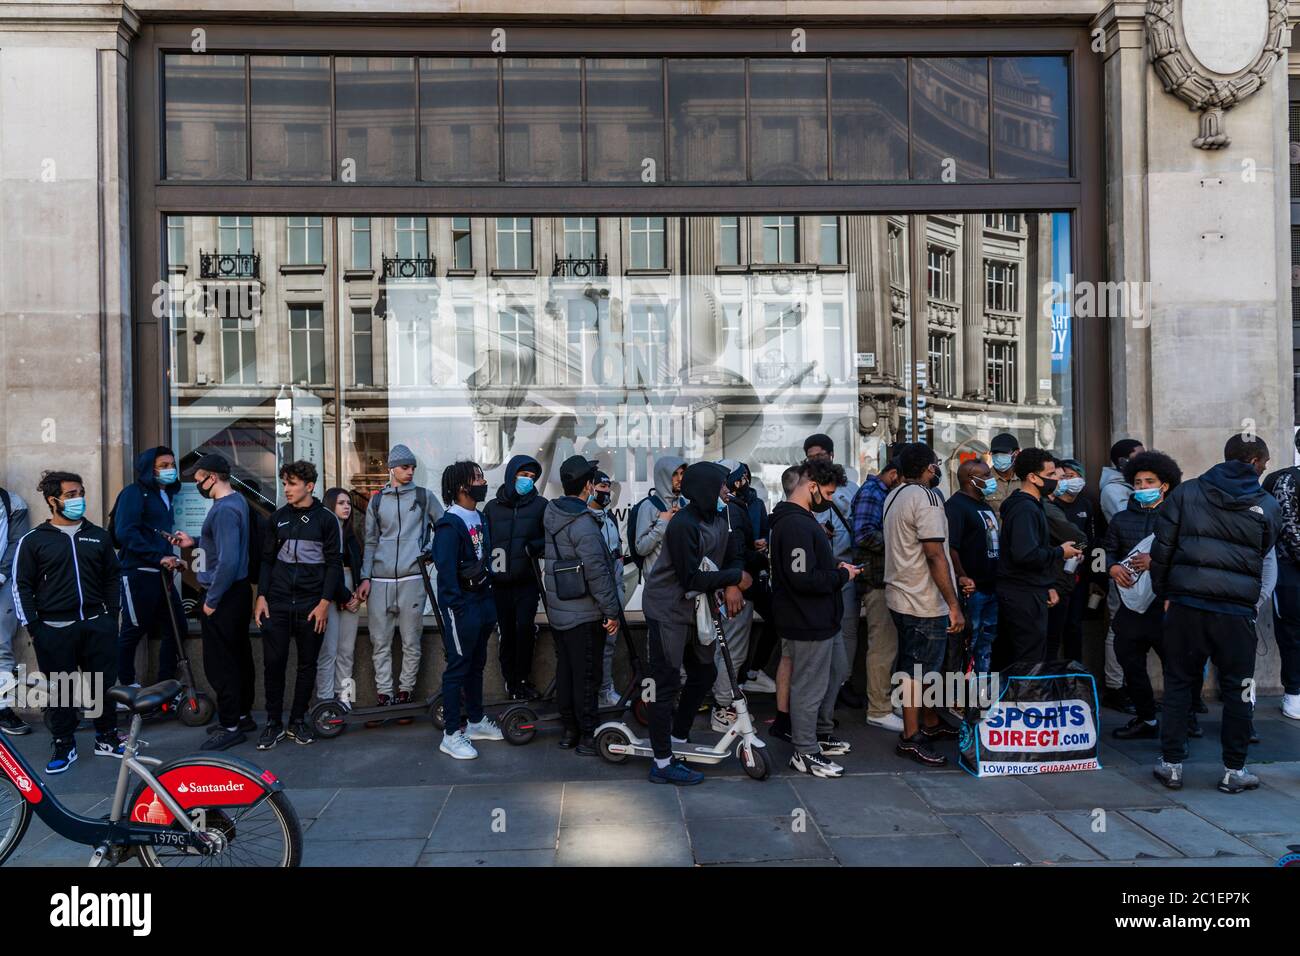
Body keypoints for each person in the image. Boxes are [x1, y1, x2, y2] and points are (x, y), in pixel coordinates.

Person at [1149, 435, 1282, 794]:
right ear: (1255, 461)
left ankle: (1172, 764)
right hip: (1235, 611)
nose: (1265, 469)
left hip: (1186, 606)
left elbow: (1163, 549)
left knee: (1178, 683)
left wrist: (1167, 593)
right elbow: (1264, 549)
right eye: (1265, 463)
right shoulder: (1267, 504)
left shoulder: (1187, 492)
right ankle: (1233, 770)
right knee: (1238, 689)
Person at [641, 461, 748, 785]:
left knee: (704, 672)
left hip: (696, 610)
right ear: (705, 490)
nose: (726, 492)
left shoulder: (719, 518)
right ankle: (661, 762)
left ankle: (678, 736)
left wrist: (732, 581)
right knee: (665, 681)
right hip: (668, 609)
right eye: (721, 487)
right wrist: (734, 577)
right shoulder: (683, 525)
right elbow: (690, 577)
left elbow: (734, 554)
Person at [11, 471, 123, 772]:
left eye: (80, 492)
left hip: (98, 624)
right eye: (71, 494)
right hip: (54, 629)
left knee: (101, 685)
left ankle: (106, 738)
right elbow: (21, 585)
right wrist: (35, 627)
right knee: (61, 689)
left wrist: (112, 616)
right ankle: (64, 744)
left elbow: (113, 577)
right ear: (53, 500)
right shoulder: (34, 541)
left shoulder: (98, 535)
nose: (79, 499)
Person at [771, 457, 860, 777]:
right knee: (809, 687)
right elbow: (801, 578)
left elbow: (808, 568)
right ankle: (805, 751)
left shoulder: (804, 520)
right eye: (830, 492)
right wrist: (841, 577)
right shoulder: (795, 524)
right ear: (812, 487)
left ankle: (819, 735)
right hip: (806, 620)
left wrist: (835, 568)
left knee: (834, 673)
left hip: (822, 617)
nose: (832, 499)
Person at [883, 444, 964, 766]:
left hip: (901, 595)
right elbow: (934, 554)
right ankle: (911, 737)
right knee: (918, 671)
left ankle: (929, 724)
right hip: (923, 601)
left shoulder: (895, 494)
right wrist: (953, 605)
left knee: (915, 666)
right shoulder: (927, 497)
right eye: (936, 465)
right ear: (930, 469)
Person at [253, 460, 340, 749]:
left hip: (311, 606)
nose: (286, 489)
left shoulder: (327, 520)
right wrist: (261, 596)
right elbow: (265, 561)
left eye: (292, 484)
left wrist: (325, 603)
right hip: (276, 603)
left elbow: (334, 565)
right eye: (285, 483)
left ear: (309, 486)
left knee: (307, 665)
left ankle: (298, 722)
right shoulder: (276, 519)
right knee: (273, 664)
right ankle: (273, 724)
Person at [172, 454, 255, 751]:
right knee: (239, 657)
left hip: (224, 595)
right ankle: (242, 716)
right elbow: (223, 546)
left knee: (221, 664)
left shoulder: (223, 510)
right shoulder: (237, 502)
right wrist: (195, 541)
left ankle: (231, 726)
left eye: (198, 480)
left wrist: (212, 600)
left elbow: (229, 560)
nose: (197, 485)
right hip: (238, 592)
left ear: (212, 477)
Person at [1104, 451, 1188, 740]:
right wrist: (1113, 567)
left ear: (1165, 485)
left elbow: (1191, 556)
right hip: (1131, 606)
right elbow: (1102, 553)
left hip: (1167, 604)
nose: (1142, 487)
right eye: (1137, 483)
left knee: (1176, 666)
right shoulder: (1120, 519)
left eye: (1149, 482)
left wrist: (1156, 563)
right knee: (1129, 660)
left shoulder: (1180, 517)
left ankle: (1184, 720)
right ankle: (1146, 717)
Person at [542, 456, 622, 756]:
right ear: (588, 485)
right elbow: (598, 573)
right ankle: (588, 735)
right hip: (585, 611)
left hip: (560, 608)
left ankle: (569, 731)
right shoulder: (584, 524)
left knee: (566, 672)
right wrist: (612, 611)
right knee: (587, 676)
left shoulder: (552, 513)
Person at [358, 444, 443, 712]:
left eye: (413, 467)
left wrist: (429, 551)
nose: (410, 471)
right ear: (391, 468)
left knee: (411, 641)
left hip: (412, 578)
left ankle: (405, 693)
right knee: (379, 642)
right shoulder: (377, 500)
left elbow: (444, 526)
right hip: (380, 580)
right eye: (405, 467)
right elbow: (370, 542)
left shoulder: (424, 496)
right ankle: (385, 694)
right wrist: (365, 577)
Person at [432, 461, 504, 760]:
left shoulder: (480, 517)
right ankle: (451, 734)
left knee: (476, 664)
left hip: (483, 602)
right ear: (462, 486)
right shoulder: (449, 524)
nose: (483, 482)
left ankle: (475, 722)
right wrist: (458, 608)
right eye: (477, 478)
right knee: (458, 668)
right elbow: (446, 574)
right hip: (462, 607)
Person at [995, 448, 1081, 666]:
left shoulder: (1033, 506)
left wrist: (1048, 585)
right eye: (1051, 475)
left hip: (1031, 589)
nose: (1056, 480)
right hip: (1022, 595)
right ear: (1033, 477)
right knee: (1028, 661)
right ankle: (1025, 699)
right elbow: (1026, 554)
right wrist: (1061, 552)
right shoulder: (1025, 509)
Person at [111, 447, 186, 694]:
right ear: (148, 468)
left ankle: (166, 684)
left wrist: (170, 551)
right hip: (138, 572)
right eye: (163, 465)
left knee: (177, 628)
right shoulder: (134, 493)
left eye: (172, 464)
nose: (170, 469)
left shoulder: (166, 495)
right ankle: (128, 685)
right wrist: (159, 556)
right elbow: (125, 532)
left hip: (161, 573)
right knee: (133, 630)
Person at [483, 454, 546, 701]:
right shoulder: (492, 508)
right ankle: (511, 682)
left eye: (532, 477)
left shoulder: (540, 505)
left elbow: (550, 538)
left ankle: (523, 679)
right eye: (523, 475)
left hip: (527, 582)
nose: (527, 481)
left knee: (524, 631)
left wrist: (534, 547)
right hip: (498, 585)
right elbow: (484, 543)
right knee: (507, 634)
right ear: (512, 475)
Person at [851, 458, 903, 731]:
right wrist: (902, 540)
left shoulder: (884, 493)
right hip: (877, 581)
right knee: (882, 646)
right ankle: (879, 708)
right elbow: (863, 535)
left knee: (890, 646)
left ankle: (886, 702)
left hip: (888, 580)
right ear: (894, 474)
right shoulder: (873, 493)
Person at [709, 461, 759, 732]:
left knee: (726, 648)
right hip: (733, 589)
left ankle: (725, 701)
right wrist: (734, 583)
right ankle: (724, 707)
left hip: (724, 585)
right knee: (731, 649)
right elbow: (736, 549)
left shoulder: (717, 509)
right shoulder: (729, 510)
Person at [1098, 438, 1147, 714]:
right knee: (1118, 627)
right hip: (1125, 569)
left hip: (1142, 569)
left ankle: (1133, 686)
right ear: (1124, 462)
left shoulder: (1127, 487)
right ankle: (1115, 686)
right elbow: (1130, 523)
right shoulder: (1114, 491)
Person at [945, 459, 1000, 675]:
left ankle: (982, 695)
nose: (991, 479)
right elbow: (951, 547)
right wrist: (962, 575)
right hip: (972, 591)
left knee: (986, 645)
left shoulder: (985, 505)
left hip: (991, 588)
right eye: (986, 476)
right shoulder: (955, 507)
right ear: (970, 479)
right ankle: (961, 699)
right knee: (967, 644)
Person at [315, 488, 364, 706]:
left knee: (347, 651)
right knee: (329, 650)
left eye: (348, 503)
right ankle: (325, 700)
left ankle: (345, 699)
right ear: (330, 505)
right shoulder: (323, 532)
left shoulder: (352, 535)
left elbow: (357, 568)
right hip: (329, 593)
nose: (347, 507)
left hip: (350, 593)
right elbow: (328, 569)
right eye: (340, 503)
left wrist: (358, 591)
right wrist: (346, 596)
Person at [1047, 458, 1099, 663]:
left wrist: (1098, 577)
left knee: (1074, 625)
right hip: (1056, 575)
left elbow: (1094, 541)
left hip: (1079, 575)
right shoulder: (1051, 505)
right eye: (1064, 477)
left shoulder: (1087, 504)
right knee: (1053, 629)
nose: (1069, 481)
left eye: (1072, 476)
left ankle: (1074, 671)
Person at [731, 463, 777, 694]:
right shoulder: (727, 505)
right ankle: (734, 685)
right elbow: (734, 542)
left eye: (745, 477)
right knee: (739, 632)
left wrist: (763, 543)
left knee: (776, 618)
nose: (743, 482)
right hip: (738, 576)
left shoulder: (756, 503)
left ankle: (753, 672)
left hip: (756, 574)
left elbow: (763, 531)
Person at [1263, 462, 1300, 720]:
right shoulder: (1288, 480)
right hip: (1290, 571)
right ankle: (1294, 693)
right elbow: (1288, 528)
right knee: (1293, 634)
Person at [589, 470, 628, 709]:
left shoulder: (609, 516)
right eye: (601, 487)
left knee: (609, 646)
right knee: (595, 647)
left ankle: (605, 690)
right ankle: (597, 692)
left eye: (608, 487)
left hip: (614, 590)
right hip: (597, 596)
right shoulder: (585, 518)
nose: (606, 492)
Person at [0, 484, 32, 734]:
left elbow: (17, 542)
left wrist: (1, 574)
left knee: (2, 646)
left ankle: (2, 708)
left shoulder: (12, 502)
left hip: (2, 583)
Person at [632, 455, 686, 580]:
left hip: (681, 581)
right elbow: (641, 548)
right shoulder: (648, 506)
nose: (680, 479)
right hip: (658, 584)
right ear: (663, 476)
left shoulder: (684, 503)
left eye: (682, 473)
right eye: (674, 474)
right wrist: (662, 524)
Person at [985, 433, 1021, 512]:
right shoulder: (984, 479)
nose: (998, 456)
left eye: (1003, 452)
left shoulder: (1025, 478)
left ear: (1016, 453)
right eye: (995, 453)